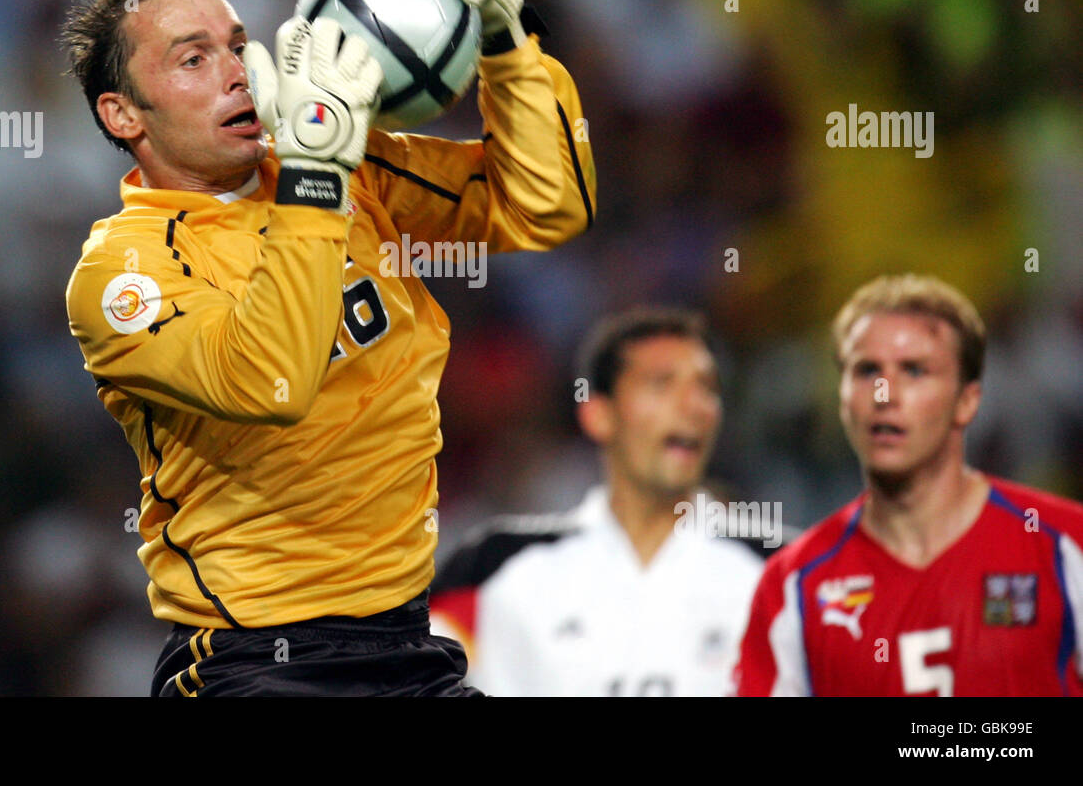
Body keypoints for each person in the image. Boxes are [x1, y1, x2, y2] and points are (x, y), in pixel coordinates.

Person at [60, 0, 595, 696]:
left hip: (409, 644)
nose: (236, 70)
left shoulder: (340, 163)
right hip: (255, 662)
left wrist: (507, 39)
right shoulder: (121, 276)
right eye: (193, 59)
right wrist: (317, 175)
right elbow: (269, 381)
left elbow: (545, 204)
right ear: (123, 114)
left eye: (238, 45)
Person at [733, 274, 1083, 696]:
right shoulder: (793, 586)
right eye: (866, 371)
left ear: (967, 400)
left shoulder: (1065, 546)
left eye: (914, 370)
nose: (885, 394)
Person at [430, 307, 769, 695]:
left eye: (707, 388)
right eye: (661, 384)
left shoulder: (781, 576)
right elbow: (395, 671)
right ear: (598, 414)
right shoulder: (495, 569)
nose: (692, 406)